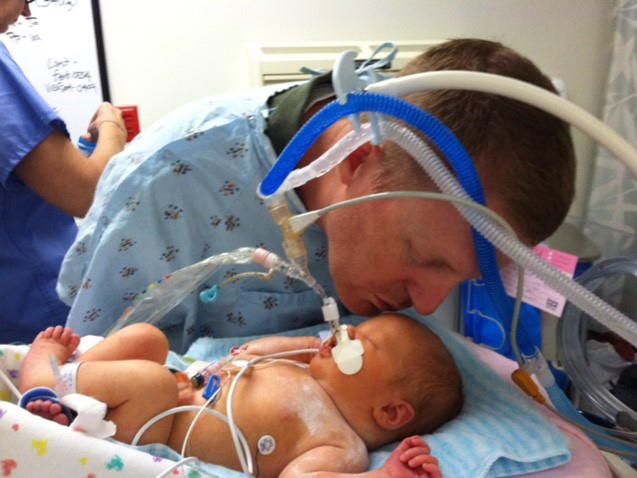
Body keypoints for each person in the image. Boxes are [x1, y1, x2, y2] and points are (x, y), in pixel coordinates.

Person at [57, 38, 575, 353]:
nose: (427, 303)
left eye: (464, 277)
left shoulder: (420, 170)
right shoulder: (170, 185)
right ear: (354, 159)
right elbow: (88, 387)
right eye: (424, 260)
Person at [19, 313, 462, 477]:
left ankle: (43, 374)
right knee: (147, 338)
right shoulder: (304, 365)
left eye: (364, 341)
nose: (345, 332)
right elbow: (249, 353)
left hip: (156, 429)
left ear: (391, 411)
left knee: (148, 382)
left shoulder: (340, 445)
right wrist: (308, 345)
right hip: (174, 386)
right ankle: (68, 400)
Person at [0, 0, 128, 343]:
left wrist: (83, 155)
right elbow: (86, 194)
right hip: (34, 320)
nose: (27, 12)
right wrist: (113, 129)